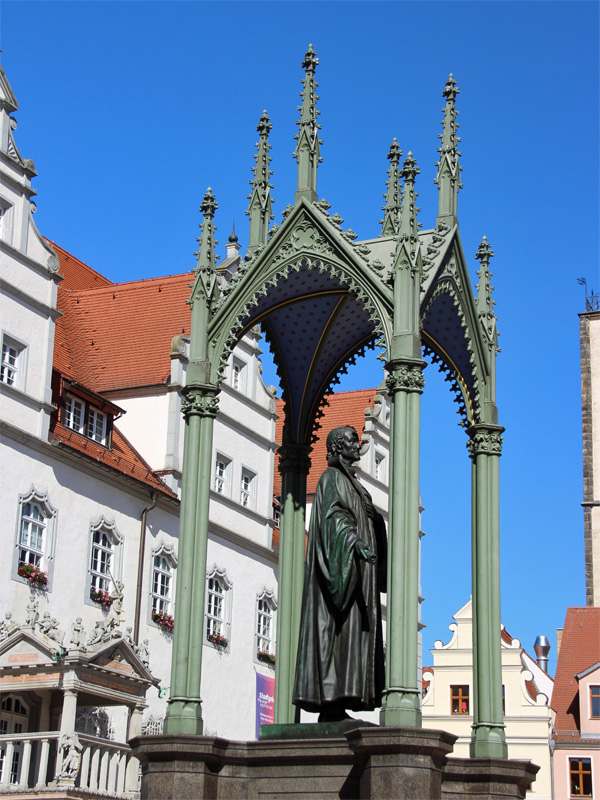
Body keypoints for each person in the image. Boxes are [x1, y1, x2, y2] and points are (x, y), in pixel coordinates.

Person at [293, 425, 387, 721]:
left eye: (357, 440)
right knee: (338, 637)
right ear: (335, 448)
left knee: (353, 637)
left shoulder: (353, 482)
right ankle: (331, 704)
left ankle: (340, 702)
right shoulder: (332, 478)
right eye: (350, 441)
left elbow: (363, 518)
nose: (357, 445)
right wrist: (355, 543)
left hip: (358, 576)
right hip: (342, 573)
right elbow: (334, 520)